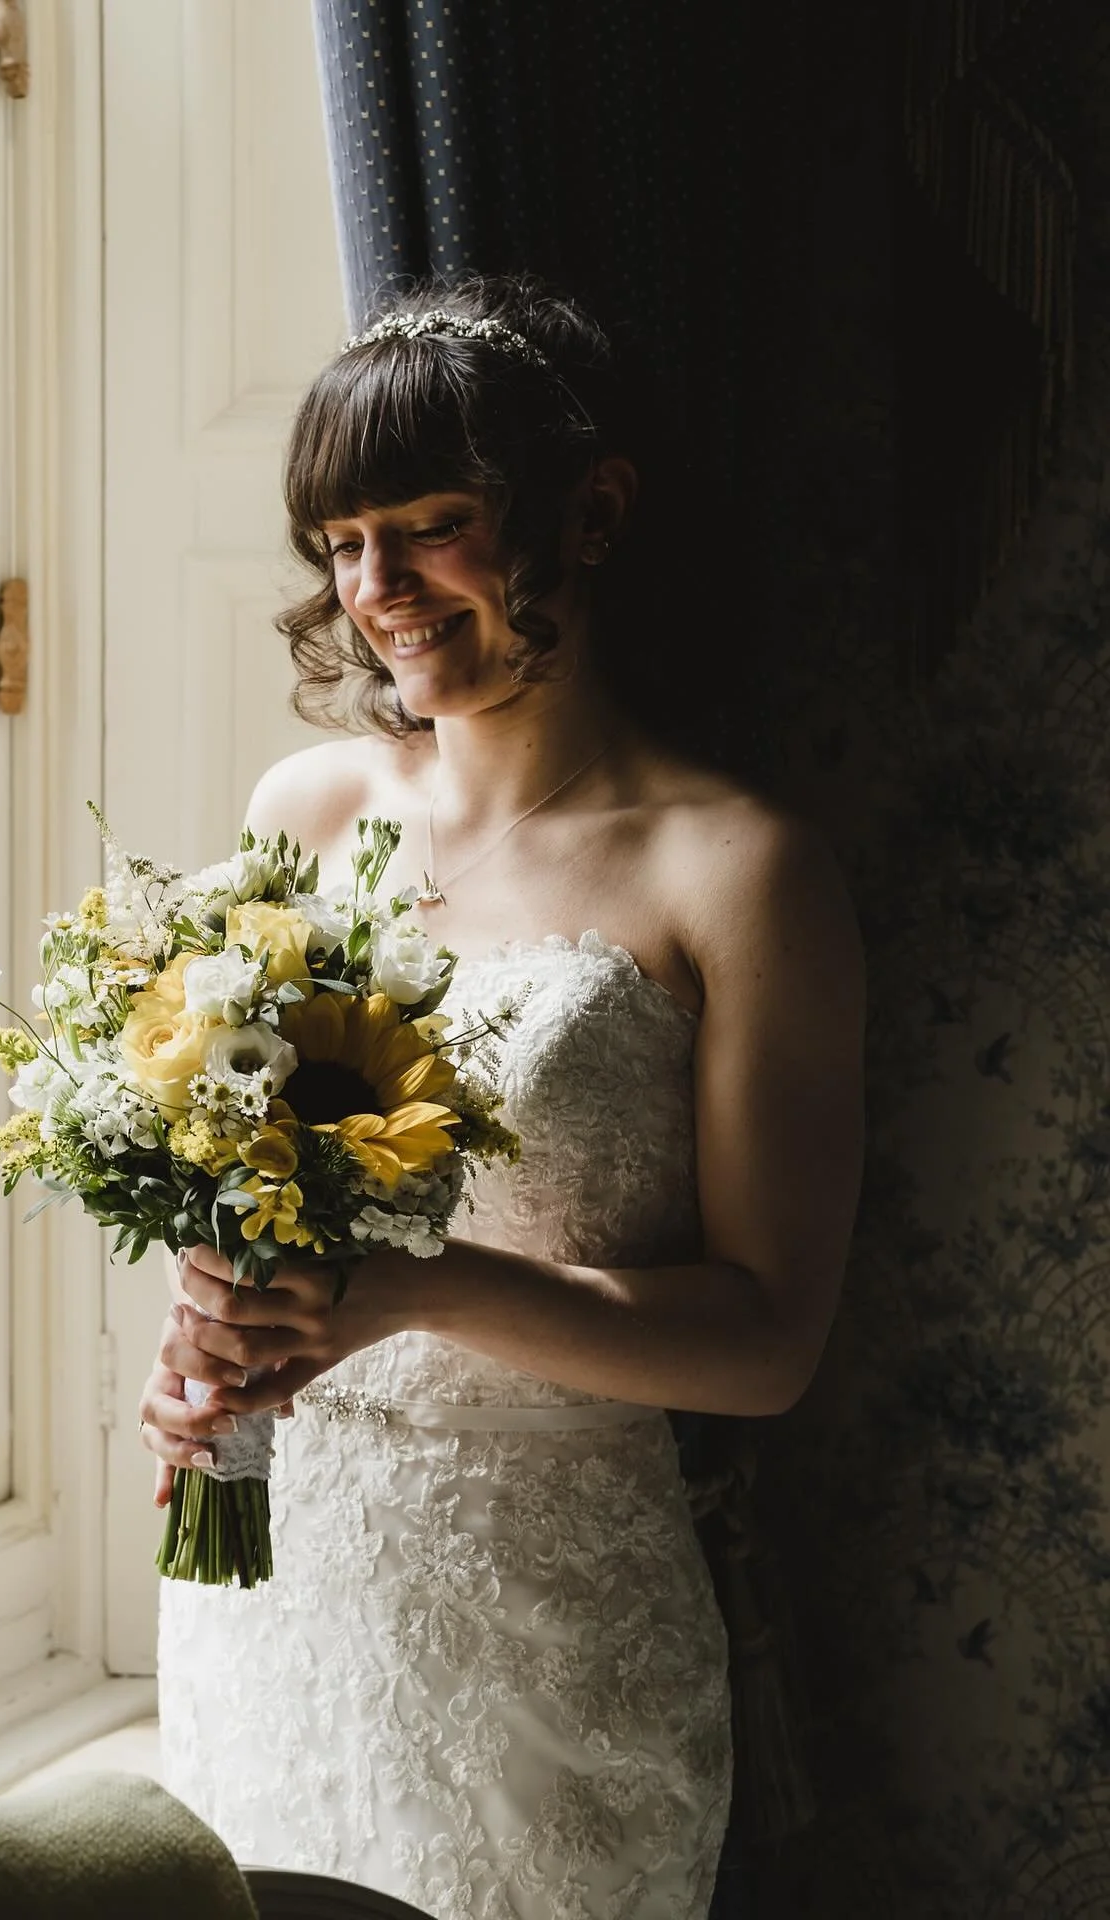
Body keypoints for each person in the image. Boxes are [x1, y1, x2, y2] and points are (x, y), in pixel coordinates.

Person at [137, 274, 864, 1920]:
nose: (377, 588)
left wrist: (419, 1291)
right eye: (341, 542)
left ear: (589, 513)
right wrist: (198, 1371)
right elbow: (239, 1174)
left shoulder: (741, 874)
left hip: (548, 1630)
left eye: (433, 525)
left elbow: (768, 1341)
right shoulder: (306, 809)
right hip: (274, 1590)